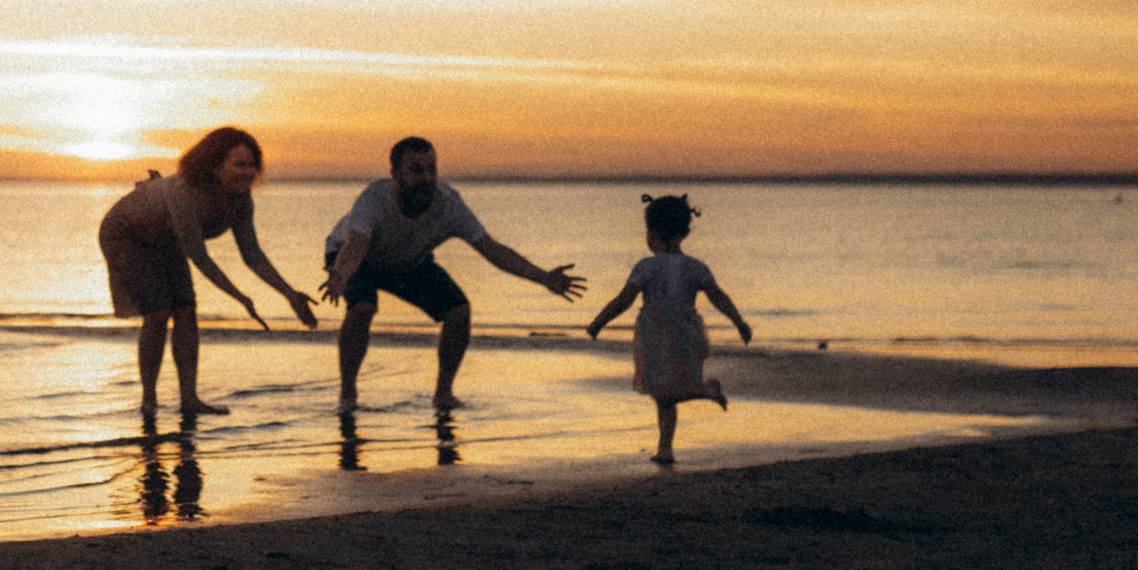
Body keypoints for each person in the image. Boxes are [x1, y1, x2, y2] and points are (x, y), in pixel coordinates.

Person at [322, 136, 585, 411]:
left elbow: (491, 249)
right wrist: (341, 273)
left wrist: (544, 277)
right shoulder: (374, 198)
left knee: (459, 311)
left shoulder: (448, 205)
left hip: (409, 263)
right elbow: (355, 244)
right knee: (362, 307)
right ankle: (348, 395)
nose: (426, 177)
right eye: (416, 170)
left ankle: (443, 395)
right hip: (354, 260)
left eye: (431, 169)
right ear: (395, 175)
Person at [98, 127, 317, 417]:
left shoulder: (241, 200)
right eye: (239, 164)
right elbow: (199, 257)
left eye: (252, 165)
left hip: (167, 239)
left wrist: (291, 294)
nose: (248, 172)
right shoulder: (184, 193)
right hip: (127, 234)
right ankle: (148, 401)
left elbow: (252, 254)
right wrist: (240, 296)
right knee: (159, 312)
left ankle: (189, 399)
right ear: (215, 166)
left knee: (186, 310)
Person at [585, 193, 753, 464]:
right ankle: (665, 448)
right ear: (684, 232)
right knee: (667, 395)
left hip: (655, 334)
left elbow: (623, 300)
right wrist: (739, 322)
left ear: (652, 233)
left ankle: (705, 390)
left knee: (660, 390)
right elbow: (718, 297)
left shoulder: (647, 266)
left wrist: (598, 322)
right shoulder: (696, 266)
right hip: (688, 332)